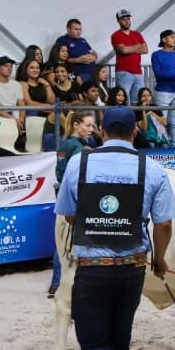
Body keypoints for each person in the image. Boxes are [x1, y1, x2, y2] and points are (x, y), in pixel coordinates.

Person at [54, 105, 175, 350]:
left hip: (94, 269)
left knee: (93, 345)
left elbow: (66, 216)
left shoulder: (80, 162)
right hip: (133, 267)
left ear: (102, 132)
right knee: (117, 341)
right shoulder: (151, 168)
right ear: (135, 132)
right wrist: (160, 260)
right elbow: (165, 224)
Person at [50, 110, 98, 298]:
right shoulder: (79, 148)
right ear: (76, 125)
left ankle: (57, 282)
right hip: (75, 196)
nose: (91, 129)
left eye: (92, 125)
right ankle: (68, 281)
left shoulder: (67, 144)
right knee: (71, 239)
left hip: (63, 193)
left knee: (63, 239)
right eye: (87, 125)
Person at [150, 30, 175, 148]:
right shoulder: (156, 55)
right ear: (164, 39)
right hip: (163, 91)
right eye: (171, 37)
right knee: (162, 120)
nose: (174, 40)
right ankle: (162, 145)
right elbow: (159, 74)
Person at [111, 10, 148, 103]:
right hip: (124, 71)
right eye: (124, 19)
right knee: (124, 100)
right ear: (118, 21)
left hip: (138, 71)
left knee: (138, 101)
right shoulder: (116, 35)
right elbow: (124, 50)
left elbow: (145, 49)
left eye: (128, 19)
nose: (127, 21)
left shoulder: (137, 34)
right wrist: (137, 45)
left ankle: (136, 118)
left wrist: (129, 48)